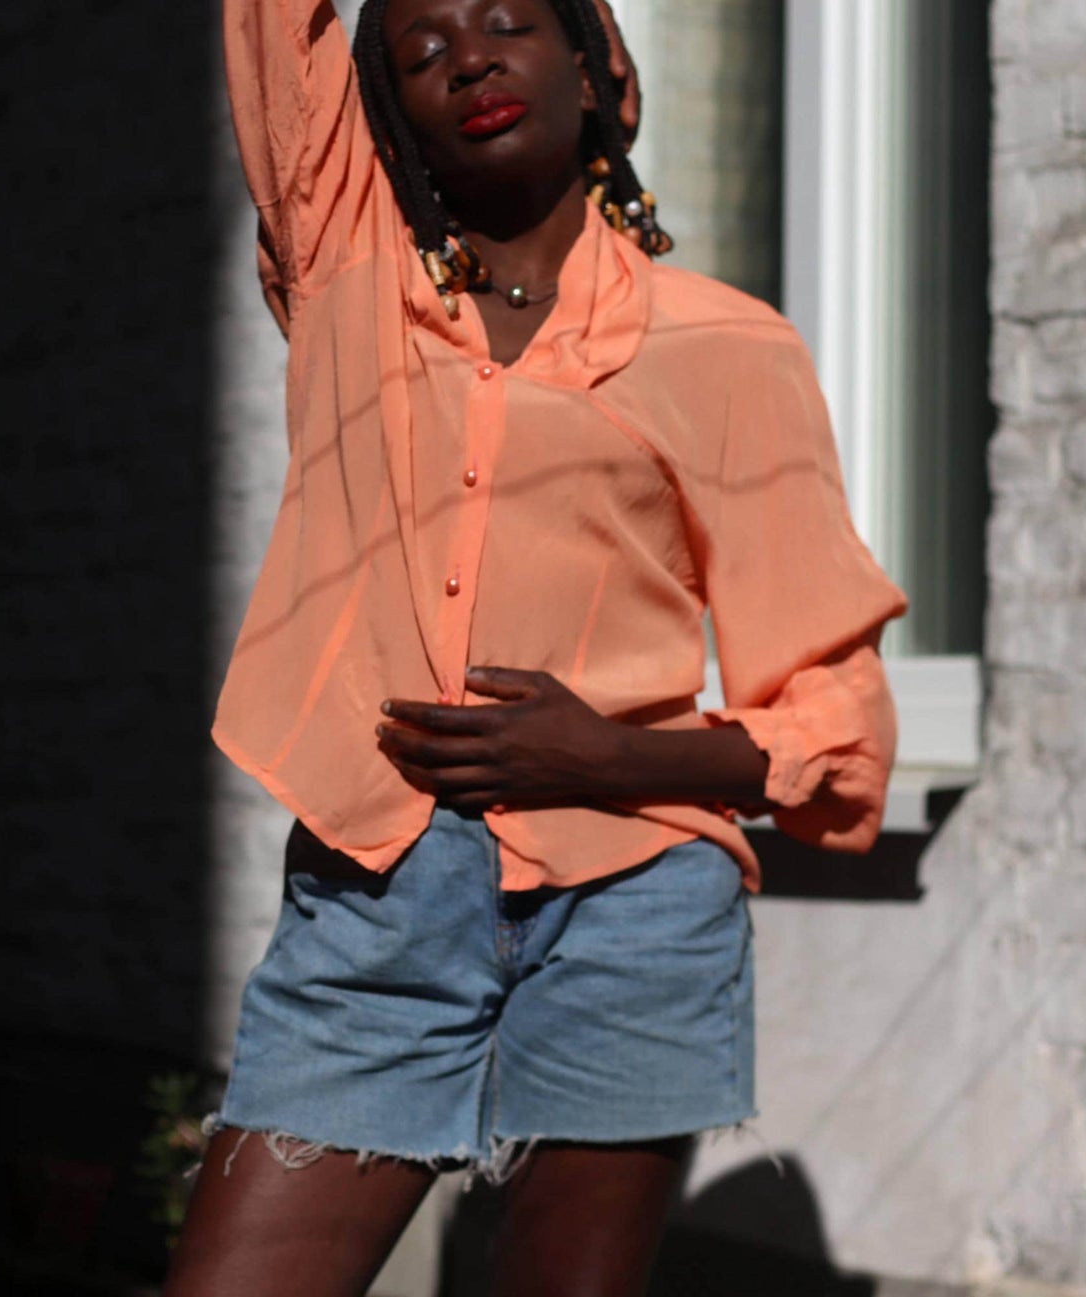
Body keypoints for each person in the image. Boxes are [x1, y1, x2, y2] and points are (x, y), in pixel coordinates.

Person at [166, 0, 907, 1292]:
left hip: (636, 905)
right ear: (386, 115)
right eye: (422, 49)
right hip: (373, 894)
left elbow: (837, 734)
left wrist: (606, 755)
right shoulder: (348, 276)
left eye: (508, 18)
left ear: (596, 61)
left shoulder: (728, 351)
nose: (470, 58)